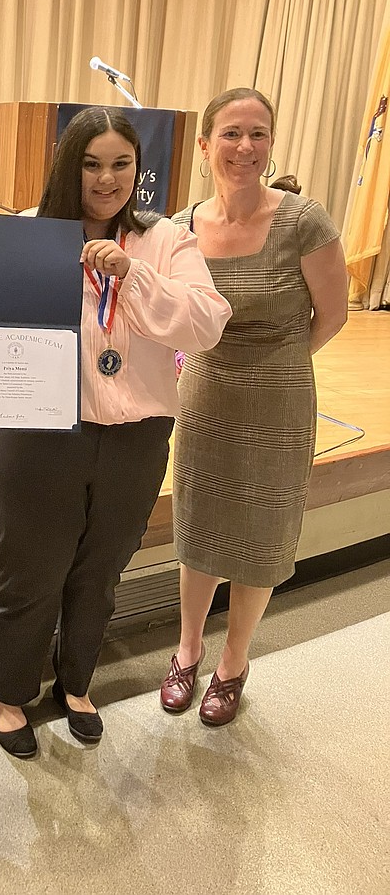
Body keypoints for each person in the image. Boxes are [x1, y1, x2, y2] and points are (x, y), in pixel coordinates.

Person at [0, 106, 232, 756]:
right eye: (91, 163)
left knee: (100, 573)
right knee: (29, 574)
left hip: (136, 434)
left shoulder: (162, 240)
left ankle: (75, 684)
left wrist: (134, 275)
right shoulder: (23, 235)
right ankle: (9, 693)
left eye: (121, 163)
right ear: (69, 165)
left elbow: (207, 323)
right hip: (38, 434)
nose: (106, 179)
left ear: (138, 168)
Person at [161, 87, 348, 726]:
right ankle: (187, 649)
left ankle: (233, 661)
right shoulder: (183, 225)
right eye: (232, 133)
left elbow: (332, 316)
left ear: (271, 143)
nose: (246, 147)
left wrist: (279, 364)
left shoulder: (305, 220)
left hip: (280, 399)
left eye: (259, 133)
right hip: (207, 393)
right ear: (207, 145)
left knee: (262, 530)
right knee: (199, 525)